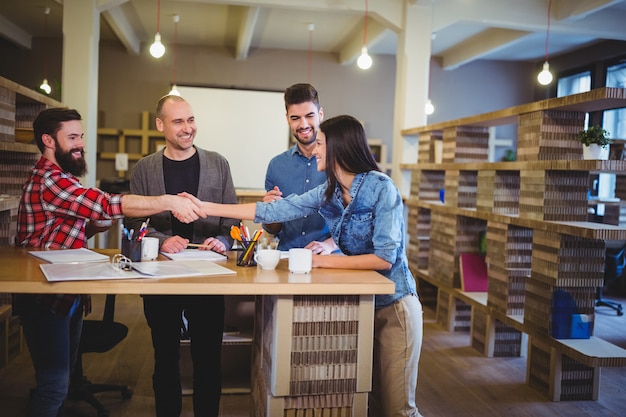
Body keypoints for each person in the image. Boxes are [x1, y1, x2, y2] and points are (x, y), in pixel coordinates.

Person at [196, 114, 424, 417]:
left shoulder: (382, 188)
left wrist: (320, 261)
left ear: (339, 148)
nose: (314, 150)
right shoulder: (328, 191)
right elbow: (274, 209)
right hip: (363, 307)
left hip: (395, 308)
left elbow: (385, 258)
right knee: (372, 405)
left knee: (398, 410)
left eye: (320, 144)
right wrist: (203, 208)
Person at [13, 107, 204, 417]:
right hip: (45, 297)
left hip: (65, 294)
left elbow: (54, 237)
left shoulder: (60, 177)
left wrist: (90, 227)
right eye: (72, 137)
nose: (80, 144)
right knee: (53, 387)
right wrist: (169, 201)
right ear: (48, 140)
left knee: (60, 385)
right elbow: (106, 203)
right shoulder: (49, 180)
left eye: (81, 137)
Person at [124, 94, 240, 417]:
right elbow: (133, 221)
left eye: (191, 120)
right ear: (160, 125)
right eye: (178, 122)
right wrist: (161, 241)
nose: (187, 128)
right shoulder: (144, 169)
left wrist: (222, 240)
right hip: (161, 277)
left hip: (208, 276)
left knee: (207, 360)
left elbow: (231, 219)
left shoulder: (219, 163)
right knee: (165, 359)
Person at [263, 83, 333, 253]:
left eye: (310, 116)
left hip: (329, 260)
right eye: (295, 118)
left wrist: (329, 245)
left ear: (320, 114)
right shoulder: (276, 165)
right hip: (287, 259)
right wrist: (270, 211)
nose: (303, 124)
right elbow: (273, 229)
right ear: (287, 118)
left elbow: (355, 222)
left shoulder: (339, 162)